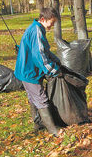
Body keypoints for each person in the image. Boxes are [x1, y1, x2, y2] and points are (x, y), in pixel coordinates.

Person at [14, 8, 62, 136]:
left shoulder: (37, 28)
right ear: (42, 19)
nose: (52, 25)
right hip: (29, 72)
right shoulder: (36, 30)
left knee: (33, 97)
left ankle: (38, 124)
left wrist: (55, 60)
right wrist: (52, 70)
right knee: (41, 99)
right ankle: (53, 130)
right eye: (51, 22)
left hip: (28, 70)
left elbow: (43, 49)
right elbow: (38, 55)